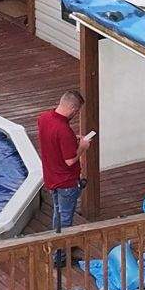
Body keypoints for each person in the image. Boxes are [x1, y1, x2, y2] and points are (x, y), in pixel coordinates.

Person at [36, 90, 93, 231]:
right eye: (77, 110)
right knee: (66, 218)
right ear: (73, 108)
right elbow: (70, 160)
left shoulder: (44, 118)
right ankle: (60, 251)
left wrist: (73, 139)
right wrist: (82, 147)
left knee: (58, 213)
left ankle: (56, 245)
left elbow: (54, 140)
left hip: (51, 177)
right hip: (66, 182)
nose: (77, 114)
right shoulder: (63, 130)